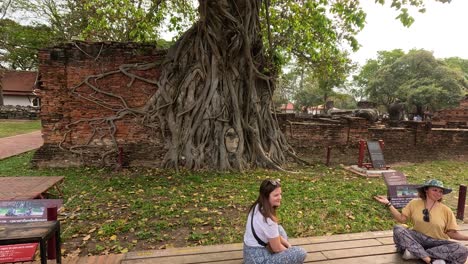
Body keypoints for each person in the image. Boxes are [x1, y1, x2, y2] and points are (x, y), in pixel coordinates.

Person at [374, 179, 468, 264]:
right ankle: (430, 259)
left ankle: (416, 254)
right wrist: (388, 204)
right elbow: (401, 219)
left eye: (441, 191)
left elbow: (452, 234)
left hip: (437, 243)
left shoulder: (446, 210)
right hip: (416, 239)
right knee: (398, 228)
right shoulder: (414, 203)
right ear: (426, 190)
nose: (438, 193)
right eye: (434, 190)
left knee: (462, 249)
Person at [243, 179, 307, 264]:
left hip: (248, 254)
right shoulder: (268, 219)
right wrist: (290, 252)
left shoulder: (257, 206)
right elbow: (277, 248)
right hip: (258, 260)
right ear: (266, 196)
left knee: (279, 229)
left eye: (280, 194)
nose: (280, 197)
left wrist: (288, 246)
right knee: (300, 252)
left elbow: (276, 235)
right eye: (276, 195)